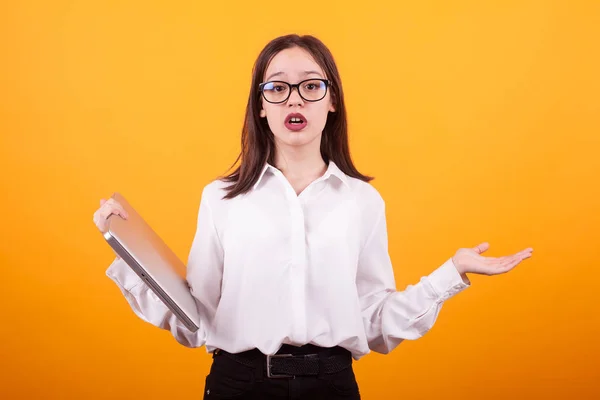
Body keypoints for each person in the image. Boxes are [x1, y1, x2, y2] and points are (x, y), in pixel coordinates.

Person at [93, 34, 533, 400]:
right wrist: (128, 252)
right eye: (277, 88)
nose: (293, 99)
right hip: (239, 386)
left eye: (310, 86)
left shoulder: (362, 202)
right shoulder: (221, 199)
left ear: (332, 101)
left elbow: (375, 323)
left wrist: (451, 273)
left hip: (332, 387)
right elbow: (196, 320)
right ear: (261, 106)